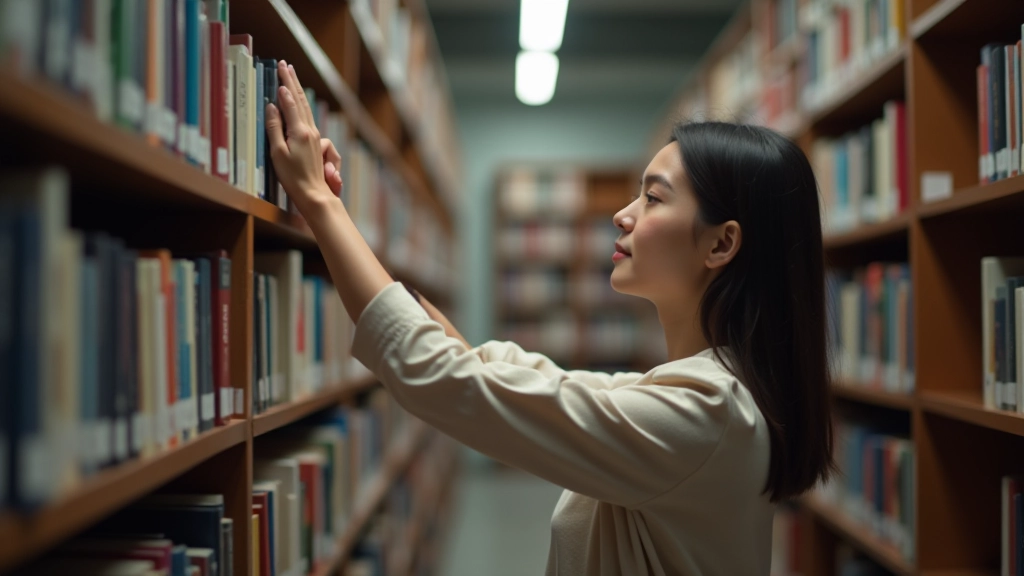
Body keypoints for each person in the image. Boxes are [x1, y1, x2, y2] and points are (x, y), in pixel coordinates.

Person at [265, 60, 835, 576]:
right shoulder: (694, 397)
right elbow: (492, 371)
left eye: (654, 198)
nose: (622, 215)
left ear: (721, 244)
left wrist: (320, 204)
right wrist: (346, 229)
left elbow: (446, 379)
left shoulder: (703, 414)